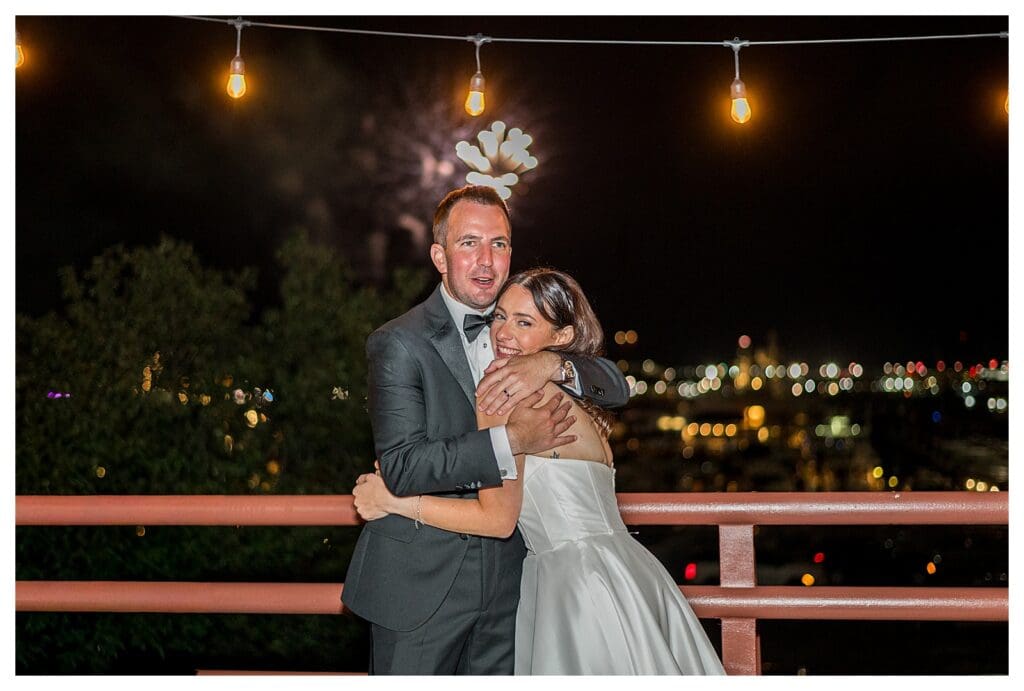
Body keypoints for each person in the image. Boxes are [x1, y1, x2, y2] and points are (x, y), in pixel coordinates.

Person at [352, 268, 726, 675]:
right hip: (629, 572)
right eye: (500, 316)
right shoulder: (585, 402)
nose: (504, 332)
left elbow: (497, 520)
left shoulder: (504, 393)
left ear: (561, 338)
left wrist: (395, 501)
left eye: (524, 322)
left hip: (573, 586)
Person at [341, 186, 630, 675]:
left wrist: (551, 364)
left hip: (512, 591)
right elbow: (405, 465)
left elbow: (615, 386)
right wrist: (513, 440)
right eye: (469, 243)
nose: (486, 259)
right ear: (439, 255)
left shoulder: (528, 334)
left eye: (499, 244)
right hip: (419, 585)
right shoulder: (397, 342)